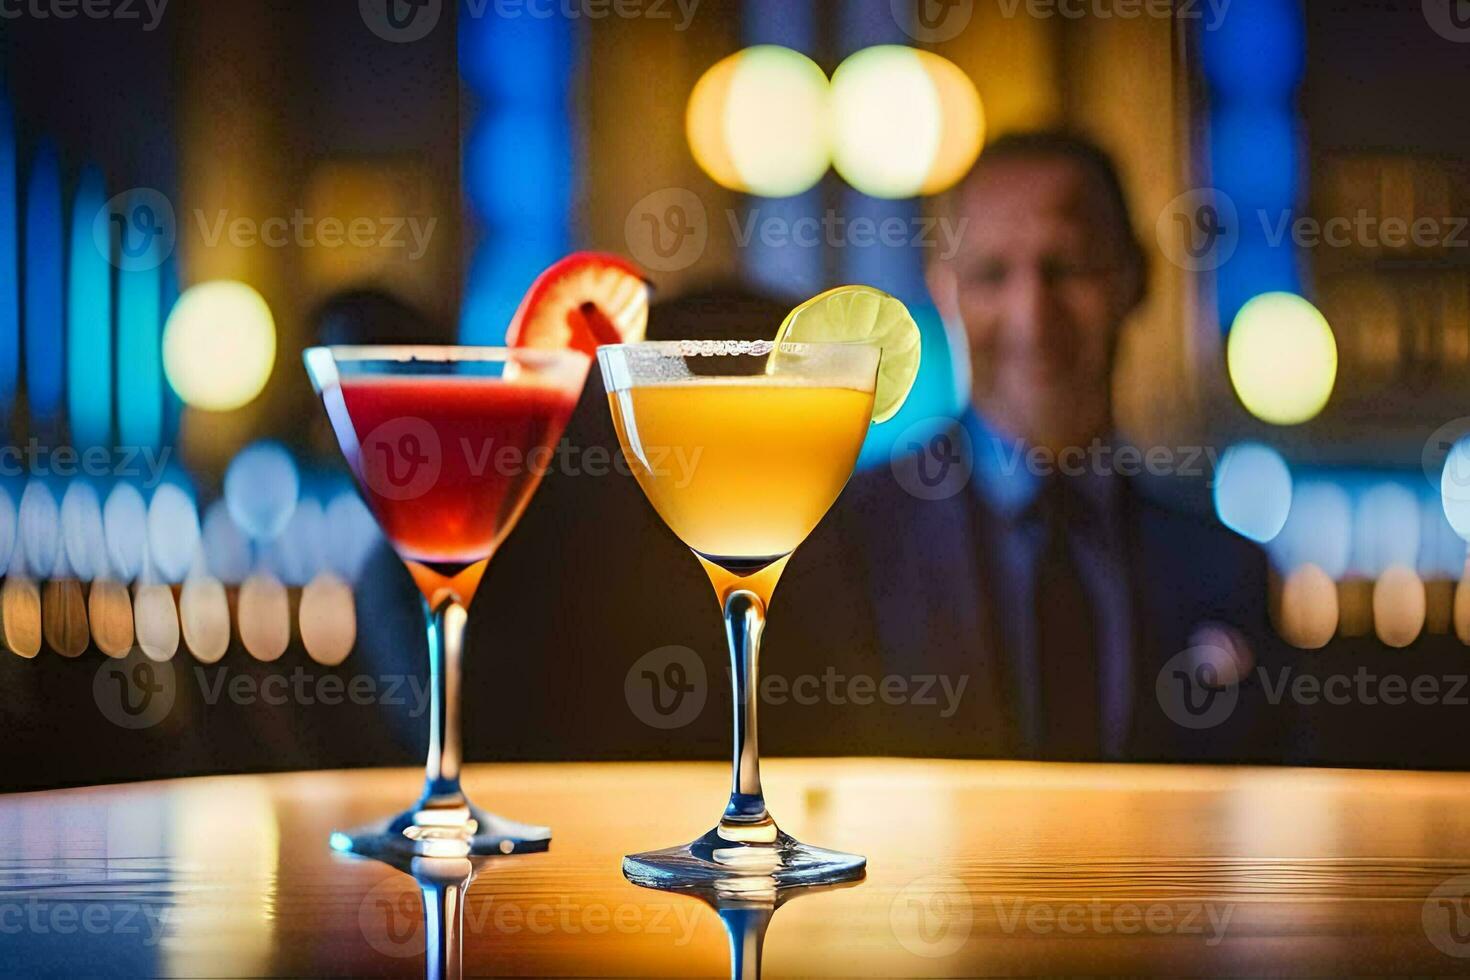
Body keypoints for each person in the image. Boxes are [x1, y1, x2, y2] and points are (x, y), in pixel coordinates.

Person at [780, 131, 1293, 763]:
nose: (1032, 314)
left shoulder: (1224, 568)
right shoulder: (843, 540)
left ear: (1136, 279)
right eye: (992, 274)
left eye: (1066, 268)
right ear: (946, 291)